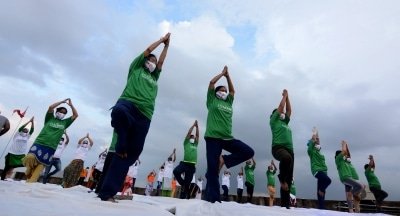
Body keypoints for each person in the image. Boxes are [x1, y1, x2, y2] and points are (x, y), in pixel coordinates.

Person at [98, 33, 171, 202]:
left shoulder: (155, 76)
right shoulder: (136, 68)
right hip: (129, 104)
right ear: (144, 61)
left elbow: (161, 62)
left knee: (130, 154)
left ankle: (107, 193)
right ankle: (122, 136)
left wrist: (167, 47)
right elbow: (147, 51)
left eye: (154, 61)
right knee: (118, 111)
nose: (152, 62)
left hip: (145, 114)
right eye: (150, 60)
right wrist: (161, 41)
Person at [204, 66, 254, 203]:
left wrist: (228, 76)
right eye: (221, 90)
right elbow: (211, 83)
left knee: (248, 151)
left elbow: (232, 90)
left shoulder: (229, 102)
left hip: (227, 138)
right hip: (213, 138)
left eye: (225, 91)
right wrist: (221, 74)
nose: (224, 92)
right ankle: (213, 199)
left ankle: (224, 160)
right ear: (216, 93)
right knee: (213, 170)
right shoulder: (212, 100)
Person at [22, 99, 78, 183]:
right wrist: (62, 102)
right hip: (39, 142)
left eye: (64, 113)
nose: (62, 114)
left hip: (51, 147)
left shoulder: (65, 122)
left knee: (40, 166)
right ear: (57, 112)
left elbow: (75, 115)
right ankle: (28, 171)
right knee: (30, 157)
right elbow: (51, 107)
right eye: (61, 111)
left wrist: (71, 105)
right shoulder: (49, 118)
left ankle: (30, 183)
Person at [269, 89, 294, 209]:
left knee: (289, 177)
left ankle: (285, 204)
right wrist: (284, 96)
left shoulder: (285, 122)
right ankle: (281, 178)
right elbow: (281, 106)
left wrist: (288, 97)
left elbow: (289, 110)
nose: (282, 113)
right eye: (280, 112)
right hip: (278, 148)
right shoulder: (273, 121)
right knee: (286, 158)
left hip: (290, 149)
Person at [335, 140, 364, 213]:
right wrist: (344, 145)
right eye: (343, 155)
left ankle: (351, 210)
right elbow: (344, 151)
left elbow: (346, 153)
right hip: (345, 178)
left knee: (348, 195)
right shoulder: (338, 160)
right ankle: (353, 193)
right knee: (360, 186)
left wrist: (346, 146)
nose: (345, 156)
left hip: (349, 178)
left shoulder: (345, 162)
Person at [173, 120, 199, 199]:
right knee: (176, 171)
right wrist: (193, 126)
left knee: (187, 184)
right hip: (185, 163)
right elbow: (188, 133)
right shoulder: (186, 143)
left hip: (192, 166)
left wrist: (197, 127)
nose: (192, 137)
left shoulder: (195, 144)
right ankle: (183, 184)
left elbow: (197, 135)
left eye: (193, 137)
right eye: (191, 136)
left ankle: (184, 197)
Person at [306, 127, 331, 209]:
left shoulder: (320, 153)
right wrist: (313, 136)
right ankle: (321, 191)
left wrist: (317, 133)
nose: (317, 144)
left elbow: (317, 140)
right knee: (327, 180)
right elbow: (313, 142)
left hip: (324, 171)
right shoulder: (311, 152)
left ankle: (321, 207)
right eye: (315, 143)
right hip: (317, 170)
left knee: (322, 192)